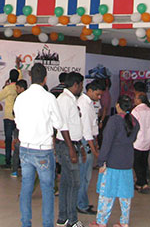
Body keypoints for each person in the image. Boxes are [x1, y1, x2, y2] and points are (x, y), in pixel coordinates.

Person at [13, 63, 76, 227]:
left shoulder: (20, 98)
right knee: (47, 189)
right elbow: (59, 123)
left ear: (30, 77)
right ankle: (47, 224)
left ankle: (25, 223)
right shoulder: (49, 98)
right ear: (45, 79)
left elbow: (17, 123)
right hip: (43, 150)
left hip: (25, 148)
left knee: (26, 188)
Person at [89, 95, 139, 227]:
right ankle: (124, 222)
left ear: (117, 105)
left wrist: (101, 161)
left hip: (112, 163)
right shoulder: (134, 121)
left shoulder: (114, 121)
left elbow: (107, 143)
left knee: (107, 194)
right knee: (125, 196)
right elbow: (133, 139)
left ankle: (101, 222)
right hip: (127, 162)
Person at [56, 71, 85, 227]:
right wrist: (71, 148)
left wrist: (78, 146)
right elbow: (63, 126)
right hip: (67, 146)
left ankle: (63, 218)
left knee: (66, 182)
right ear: (75, 85)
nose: (82, 88)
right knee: (74, 183)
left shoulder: (70, 99)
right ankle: (72, 220)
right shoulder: (65, 100)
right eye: (81, 85)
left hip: (71, 144)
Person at [77, 80, 104, 215]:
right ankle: (81, 205)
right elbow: (87, 131)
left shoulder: (88, 103)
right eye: (97, 94)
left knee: (85, 176)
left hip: (88, 141)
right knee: (84, 176)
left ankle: (82, 202)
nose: (99, 97)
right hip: (85, 142)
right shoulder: (84, 105)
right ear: (90, 91)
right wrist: (94, 151)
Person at [131, 91, 150, 193]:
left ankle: (142, 183)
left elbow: (133, 127)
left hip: (137, 141)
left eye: (136, 98)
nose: (134, 100)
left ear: (139, 100)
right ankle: (141, 182)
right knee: (144, 162)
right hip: (147, 140)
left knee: (136, 163)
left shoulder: (135, 111)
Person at [0, 69, 19, 169]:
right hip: (18, 117)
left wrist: (4, 86)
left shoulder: (8, 88)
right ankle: (18, 162)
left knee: (8, 140)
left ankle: (8, 162)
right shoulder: (20, 87)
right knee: (19, 140)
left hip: (8, 116)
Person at [11, 79, 28, 178]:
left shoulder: (18, 98)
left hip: (19, 127)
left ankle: (15, 170)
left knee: (17, 149)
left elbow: (14, 112)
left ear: (22, 88)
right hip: (27, 127)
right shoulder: (30, 97)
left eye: (17, 88)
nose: (16, 90)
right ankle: (26, 171)